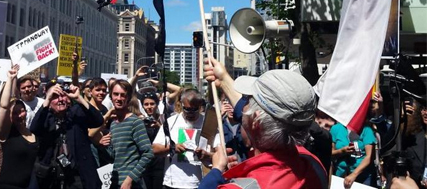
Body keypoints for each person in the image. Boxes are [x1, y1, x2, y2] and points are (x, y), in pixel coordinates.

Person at [199, 57, 327, 189]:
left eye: (248, 99)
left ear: (257, 122)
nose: (243, 105)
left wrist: (216, 172)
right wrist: (223, 79)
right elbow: (252, 113)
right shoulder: (314, 165)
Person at [30, 79, 104, 189]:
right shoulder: (46, 117)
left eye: (63, 96)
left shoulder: (76, 112)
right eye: (55, 97)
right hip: (52, 176)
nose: (60, 100)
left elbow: (98, 120)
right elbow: (34, 128)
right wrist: (47, 99)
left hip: (78, 176)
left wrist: (79, 98)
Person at [153, 89, 211, 189]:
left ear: (200, 106)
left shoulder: (208, 124)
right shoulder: (171, 122)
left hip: (197, 183)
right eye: (187, 109)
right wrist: (171, 148)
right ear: (181, 104)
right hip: (172, 183)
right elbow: (154, 149)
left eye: (194, 109)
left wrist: (207, 155)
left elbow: (219, 154)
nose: (191, 113)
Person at [0, 65, 39, 189]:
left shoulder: (33, 134)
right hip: (5, 185)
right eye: (14, 113)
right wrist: (10, 78)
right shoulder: (7, 133)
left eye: (21, 111)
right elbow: (4, 106)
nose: (19, 115)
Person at [109, 79, 154, 189]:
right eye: (116, 94)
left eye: (123, 95)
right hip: (116, 182)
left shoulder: (135, 122)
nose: (119, 98)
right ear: (110, 96)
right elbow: (114, 155)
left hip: (132, 185)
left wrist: (130, 179)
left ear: (128, 98)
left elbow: (148, 153)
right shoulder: (113, 124)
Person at [330, 119, 377, 187]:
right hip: (340, 176)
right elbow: (330, 153)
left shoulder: (366, 129)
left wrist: (354, 175)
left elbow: (370, 156)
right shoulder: (336, 128)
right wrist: (341, 151)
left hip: (363, 178)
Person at [139, 91, 165, 189]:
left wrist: (159, 126)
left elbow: (169, 138)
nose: (149, 107)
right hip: (145, 163)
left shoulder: (163, 119)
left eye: (152, 104)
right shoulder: (139, 120)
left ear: (157, 104)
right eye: (146, 104)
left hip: (159, 163)